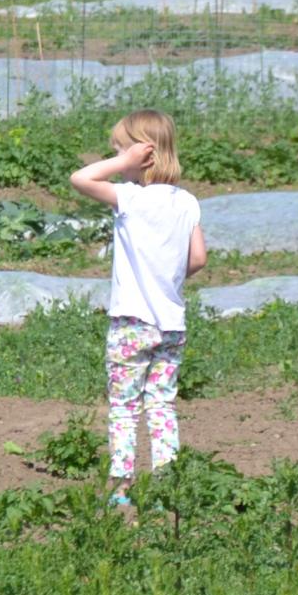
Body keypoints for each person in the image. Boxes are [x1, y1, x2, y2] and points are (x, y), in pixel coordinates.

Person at [67, 111, 207, 506]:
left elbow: (80, 179)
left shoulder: (130, 197)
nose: (115, 157)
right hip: (171, 325)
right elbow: (197, 259)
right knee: (161, 404)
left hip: (131, 323)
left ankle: (122, 487)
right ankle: (167, 485)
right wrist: (168, 278)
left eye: (119, 150)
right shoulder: (187, 202)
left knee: (125, 406)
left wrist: (123, 164)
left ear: (140, 154)